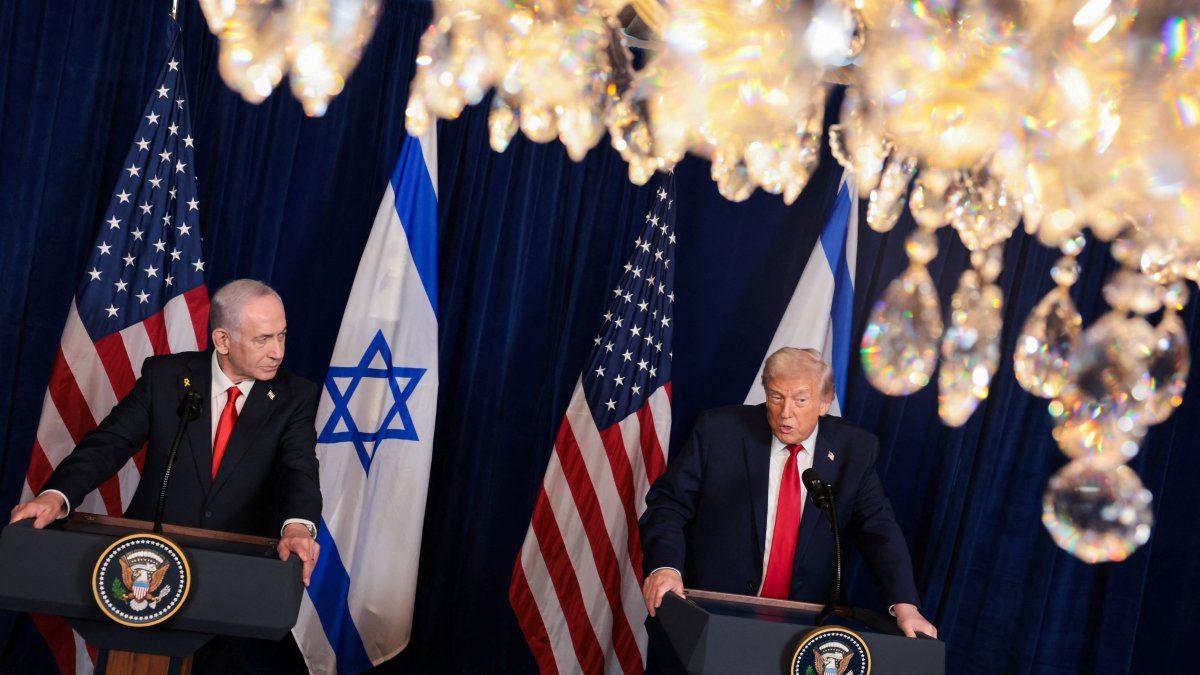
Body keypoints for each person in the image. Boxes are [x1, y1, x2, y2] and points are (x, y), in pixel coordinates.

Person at [9, 279, 322, 582]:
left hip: (239, 571)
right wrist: (55, 495)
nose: (277, 351)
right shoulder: (165, 377)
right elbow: (110, 443)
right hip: (149, 564)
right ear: (222, 340)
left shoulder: (295, 396)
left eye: (281, 336)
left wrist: (298, 527)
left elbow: (299, 468)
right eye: (262, 339)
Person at [639, 347, 937, 638]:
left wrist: (905, 606)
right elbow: (668, 505)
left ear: (824, 403)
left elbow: (879, 530)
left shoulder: (854, 450)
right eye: (776, 397)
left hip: (804, 625)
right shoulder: (719, 431)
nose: (786, 413)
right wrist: (666, 568)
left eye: (801, 400)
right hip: (710, 614)